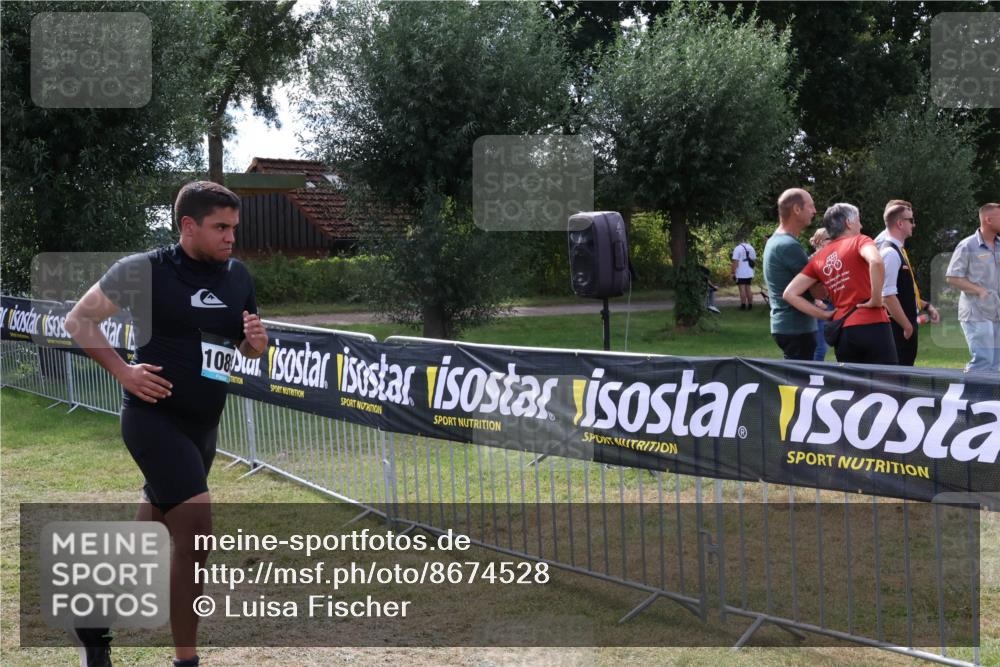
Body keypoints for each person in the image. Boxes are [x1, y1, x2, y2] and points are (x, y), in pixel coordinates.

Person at [66, 181, 268, 667]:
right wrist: (124, 372)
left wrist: (254, 345)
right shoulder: (143, 270)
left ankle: (91, 619)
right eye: (220, 227)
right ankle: (186, 661)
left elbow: (238, 346)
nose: (229, 238)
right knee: (196, 534)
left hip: (204, 428)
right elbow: (79, 321)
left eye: (234, 229)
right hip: (154, 421)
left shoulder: (238, 277)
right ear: (188, 226)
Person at [783, 203, 897, 365]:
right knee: (887, 385)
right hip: (873, 324)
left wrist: (823, 315)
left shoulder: (819, 257)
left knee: (852, 387)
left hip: (843, 330)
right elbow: (876, 261)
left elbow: (790, 293)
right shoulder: (860, 241)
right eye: (858, 221)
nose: (861, 225)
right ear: (848, 223)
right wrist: (876, 299)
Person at [878, 200, 940, 366]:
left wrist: (925, 307)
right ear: (899, 223)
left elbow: (906, 290)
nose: (914, 224)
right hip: (898, 329)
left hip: (904, 325)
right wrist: (907, 326)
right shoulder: (890, 253)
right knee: (898, 376)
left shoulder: (898, 250)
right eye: (911, 220)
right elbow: (887, 296)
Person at [763, 188, 820, 360]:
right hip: (797, 329)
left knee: (794, 383)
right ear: (796, 209)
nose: (814, 211)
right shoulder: (789, 245)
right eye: (811, 206)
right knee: (799, 384)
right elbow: (817, 291)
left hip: (787, 326)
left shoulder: (777, 240)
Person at [945, 203, 1000, 373]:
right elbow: (952, 277)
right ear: (988, 219)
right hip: (976, 313)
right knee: (983, 361)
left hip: (996, 311)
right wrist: (979, 290)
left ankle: (990, 399)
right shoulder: (967, 245)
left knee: (996, 363)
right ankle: (970, 398)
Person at [808, 228, 834, 361]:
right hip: (820, 307)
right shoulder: (812, 260)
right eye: (830, 239)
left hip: (833, 305)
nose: (833, 241)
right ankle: (814, 377)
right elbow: (805, 285)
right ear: (820, 241)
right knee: (820, 347)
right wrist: (818, 302)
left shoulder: (831, 259)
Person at [731, 239, 756, 310]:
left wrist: (733, 272)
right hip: (749, 272)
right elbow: (753, 261)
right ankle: (750, 305)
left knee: (742, 289)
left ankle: (743, 305)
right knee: (748, 288)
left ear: (740, 241)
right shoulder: (751, 248)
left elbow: (735, 262)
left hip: (741, 272)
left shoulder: (737, 248)